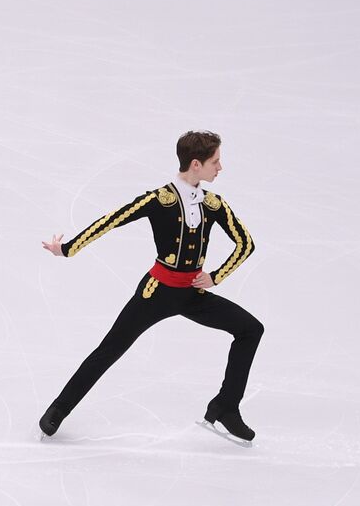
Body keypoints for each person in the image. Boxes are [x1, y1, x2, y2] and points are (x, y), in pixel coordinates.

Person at [38, 130, 262, 441]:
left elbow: (246, 244)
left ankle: (225, 407)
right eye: (216, 161)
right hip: (156, 293)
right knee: (110, 349)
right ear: (195, 164)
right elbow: (112, 219)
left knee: (251, 329)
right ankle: (59, 409)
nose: (220, 168)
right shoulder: (159, 200)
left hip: (193, 294)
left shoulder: (213, 205)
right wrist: (68, 248)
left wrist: (216, 276)